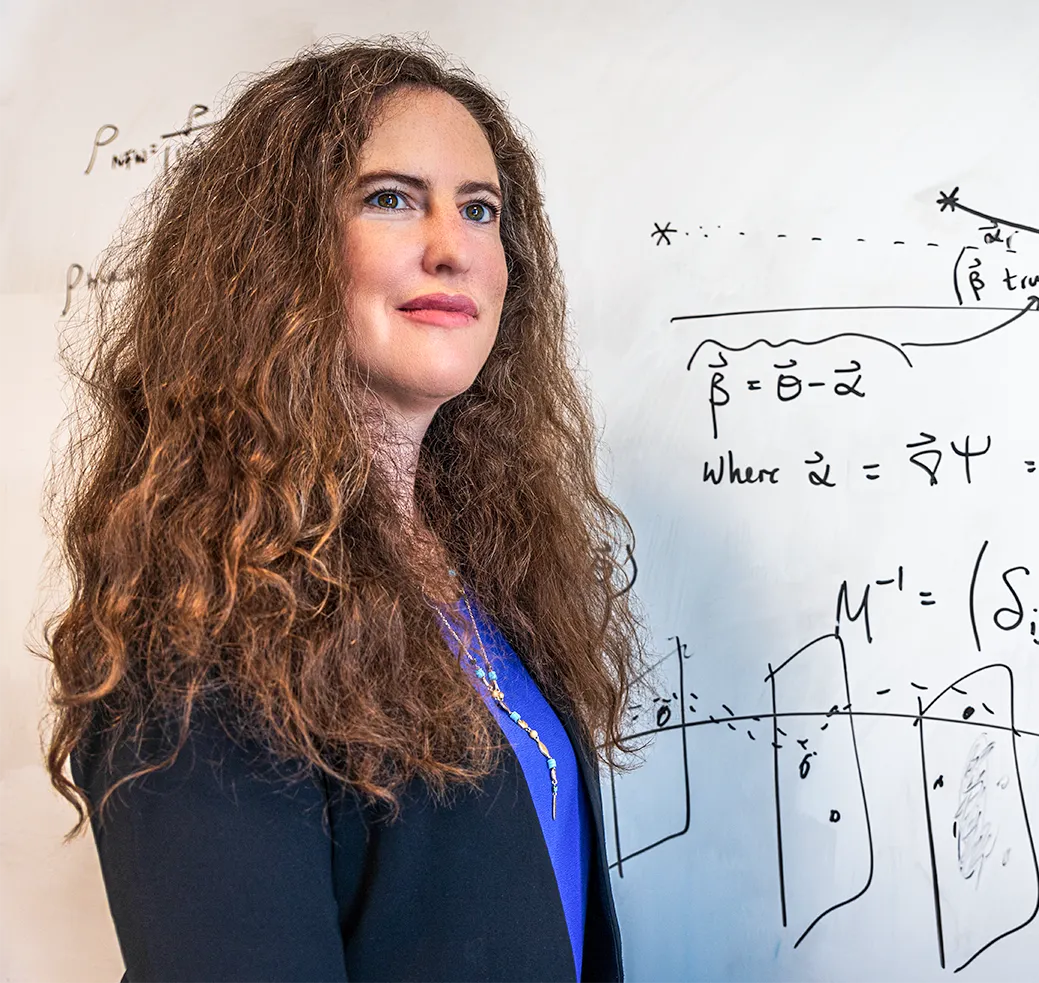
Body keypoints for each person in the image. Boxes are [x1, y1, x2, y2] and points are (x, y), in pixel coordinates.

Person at [40, 37, 643, 983]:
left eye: (480, 210)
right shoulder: (202, 642)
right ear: (277, 258)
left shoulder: (484, 576)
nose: (453, 246)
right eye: (391, 198)